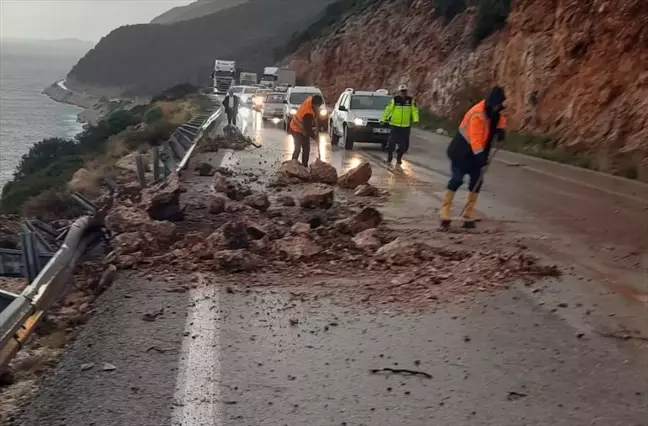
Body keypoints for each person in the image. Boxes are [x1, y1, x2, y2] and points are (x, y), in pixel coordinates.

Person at [440, 86, 507, 229]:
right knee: (457, 179)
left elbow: (499, 119)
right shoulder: (477, 113)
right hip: (461, 151)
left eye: (499, 105)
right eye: (496, 105)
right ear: (491, 103)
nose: (497, 108)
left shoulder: (495, 111)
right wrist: (480, 157)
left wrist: (501, 130)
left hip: (478, 152)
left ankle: (468, 214)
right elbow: (475, 139)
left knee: (477, 181)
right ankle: (444, 212)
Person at [380, 84, 419, 164]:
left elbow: (414, 110)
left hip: (405, 126)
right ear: (399, 92)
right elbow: (388, 110)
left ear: (406, 92)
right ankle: (389, 157)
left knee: (403, 146)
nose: (403, 93)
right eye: (402, 92)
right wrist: (383, 119)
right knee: (391, 144)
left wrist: (416, 119)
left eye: (404, 91)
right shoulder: (395, 100)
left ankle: (399, 157)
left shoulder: (410, 100)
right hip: (395, 125)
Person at [289, 94, 323, 167]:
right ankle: (292, 165)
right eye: (318, 106)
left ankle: (304, 166)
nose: (318, 108)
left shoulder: (310, 99)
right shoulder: (308, 113)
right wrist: (315, 138)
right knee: (297, 148)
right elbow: (308, 129)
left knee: (306, 148)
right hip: (295, 128)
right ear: (314, 105)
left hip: (303, 129)